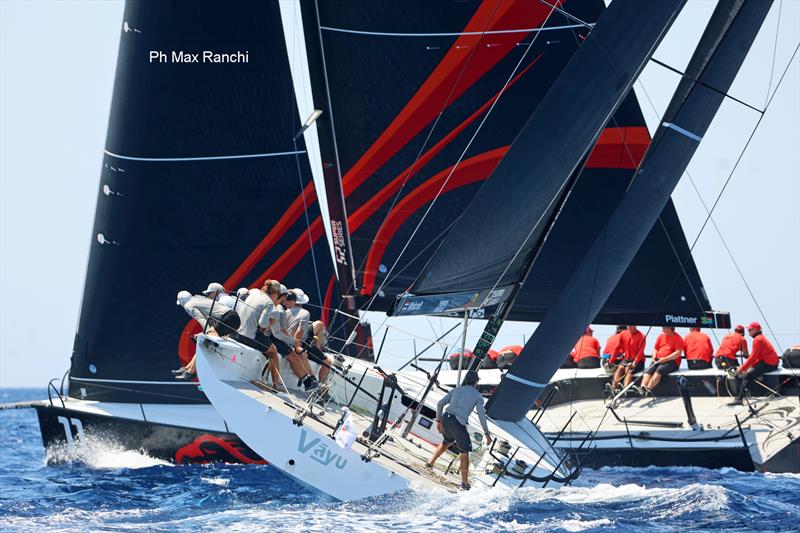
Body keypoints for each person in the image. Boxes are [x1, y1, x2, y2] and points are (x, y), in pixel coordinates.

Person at [426, 370, 492, 491]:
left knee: (447, 441)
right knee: (464, 452)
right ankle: (465, 483)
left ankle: (430, 463)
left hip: (446, 418)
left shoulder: (456, 390)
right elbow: (481, 415)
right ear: (476, 382)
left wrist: (438, 421)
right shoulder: (478, 396)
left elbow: (440, 403)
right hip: (457, 423)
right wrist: (487, 434)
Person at [263, 283, 318, 391]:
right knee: (292, 355)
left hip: (272, 336)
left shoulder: (280, 309)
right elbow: (278, 332)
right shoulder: (281, 311)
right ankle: (307, 381)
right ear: (285, 299)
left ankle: (308, 380)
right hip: (272, 337)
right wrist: (293, 342)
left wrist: (291, 341)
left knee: (292, 353)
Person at [174, 290, 239, 380]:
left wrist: (207, 334)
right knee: (202, 340)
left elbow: (201, 319)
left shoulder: (188, 305)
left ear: (181, 302)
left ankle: (190, 371)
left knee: (203, 340)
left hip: (229, 320)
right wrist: (205, 333)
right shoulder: (197, 298)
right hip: (232, 318)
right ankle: (188, 369)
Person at [235, 281, 281, 386]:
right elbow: (263, 324)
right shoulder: (269, 303)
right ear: (275, 294)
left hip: (237, 331)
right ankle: (276, 384)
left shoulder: (254, 292)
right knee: (273, 351)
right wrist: (268, 324)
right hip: (248, 336)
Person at [286, 288, 332, 384]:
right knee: (327, 361)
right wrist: (297, 346)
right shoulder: (305, 313)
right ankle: (321, 386)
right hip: (298, 344)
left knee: (319, 324)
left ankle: (317, 347)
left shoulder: (285, 311)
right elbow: (299, 332)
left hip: (290, 340)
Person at [728, 322, 780, 405]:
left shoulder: (758, 340)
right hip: (771, 362)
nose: (748, 332)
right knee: (748, 373)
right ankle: (744, 395)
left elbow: (753, 357)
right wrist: (746, 367)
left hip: (769, 363)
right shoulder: (760, 338)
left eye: (750, 330)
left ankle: (739, 399)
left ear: (755, 330)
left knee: (746, 376)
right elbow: (757, 358)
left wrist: (741, 369)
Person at [639, 326, 683, 395]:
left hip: (672, 361)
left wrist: (665, 359)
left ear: (669, 328)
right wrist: (654, 356)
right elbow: (655, 348)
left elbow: (678, 353)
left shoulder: (678, 338)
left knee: (659, 370)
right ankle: (642, 388)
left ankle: (648, 389)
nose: (662, 329)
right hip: (658, 359)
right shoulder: (661, 336)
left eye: (663, 327)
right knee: (648, 371)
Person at [611, 325, 646, 391]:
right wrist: (611, 361)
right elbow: (617, 348)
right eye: (628, 326)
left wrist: (635, 363)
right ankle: (614, 387)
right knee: (620, 368)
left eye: (631, 326)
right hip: (627, 359)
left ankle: (625, 388)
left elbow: (640, 351)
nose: (629, 327)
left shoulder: (641, 336)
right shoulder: (623, 334)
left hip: (639, 361)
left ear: (635, 326)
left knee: (628, 369)